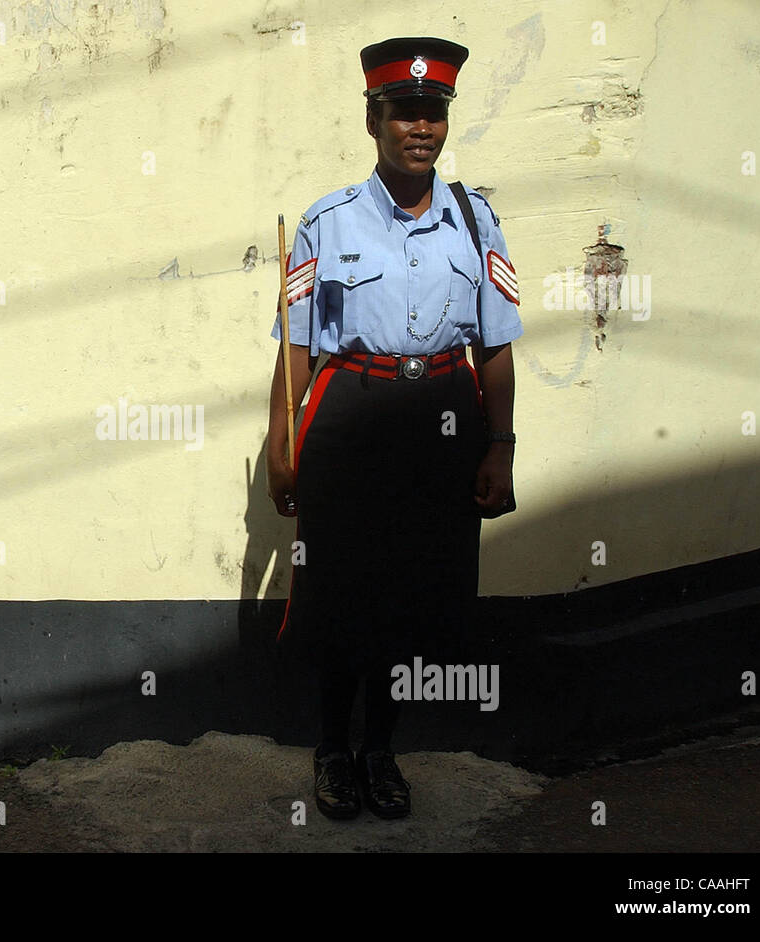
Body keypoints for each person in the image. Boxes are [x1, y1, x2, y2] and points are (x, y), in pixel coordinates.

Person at [264, 37, 523, 821]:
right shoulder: (327, 222)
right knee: (343, 596)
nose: (421, 126)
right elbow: (298, 346)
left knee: (414, 599)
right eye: (404, 111)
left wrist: (501, 447)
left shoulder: (477, 221)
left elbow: (499, 344)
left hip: (443, 427)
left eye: (433, 112)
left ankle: (382, 750)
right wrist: (284, 447)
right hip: (351, 425)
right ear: (374, 120)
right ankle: (332, 752)